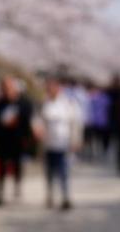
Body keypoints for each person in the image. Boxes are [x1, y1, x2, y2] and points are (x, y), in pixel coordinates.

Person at [34, 77, 82, 211]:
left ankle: (65, 197)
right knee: (49, 172)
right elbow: (36, 120)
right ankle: (50, 195)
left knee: (64, 172)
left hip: (63, 143)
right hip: (48, 144)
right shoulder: (43, 104)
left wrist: (75, 140)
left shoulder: (68, 103)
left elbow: (75, 123)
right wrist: (37, 130)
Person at [0, 76, 33, 206]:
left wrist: (27, 137)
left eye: (9, 87)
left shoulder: (23, 103)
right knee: (1, 166)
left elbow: (27, 121)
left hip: (17, 139)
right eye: (4, 87)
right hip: (2, 140)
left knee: (17, 164)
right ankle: (0, 193)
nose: (7, 90)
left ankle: (17, 187)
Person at [85, 83, 111, 160]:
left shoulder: (102, 98)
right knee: (94, 139)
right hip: (94, 121)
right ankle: (94, 153)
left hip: (100, 122)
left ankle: (98, 153)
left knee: (98, 139)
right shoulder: (92, 97)